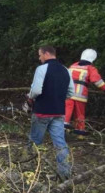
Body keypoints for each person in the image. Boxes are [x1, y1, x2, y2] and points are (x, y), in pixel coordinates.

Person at [25, 45, 74, 180]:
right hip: (59, 112)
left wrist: (30, 97)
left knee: (35, 140)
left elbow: (35, 91)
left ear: (46, 54)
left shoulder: (41, 69)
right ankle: (65, 174)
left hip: (42, 111)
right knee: (60, 143)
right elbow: (71, 93)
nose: (39, 58)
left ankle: (28, 168)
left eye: (40, 55)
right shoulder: (66, 70)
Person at [65, 49, 105, 135]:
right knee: (80, 113)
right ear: (92, 59)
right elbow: (97, 80)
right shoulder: (90, 68)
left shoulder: (73, 66)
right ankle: (80, 130)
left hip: (68, 93)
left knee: (66, 109)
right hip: (80, 95)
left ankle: (64, 123)